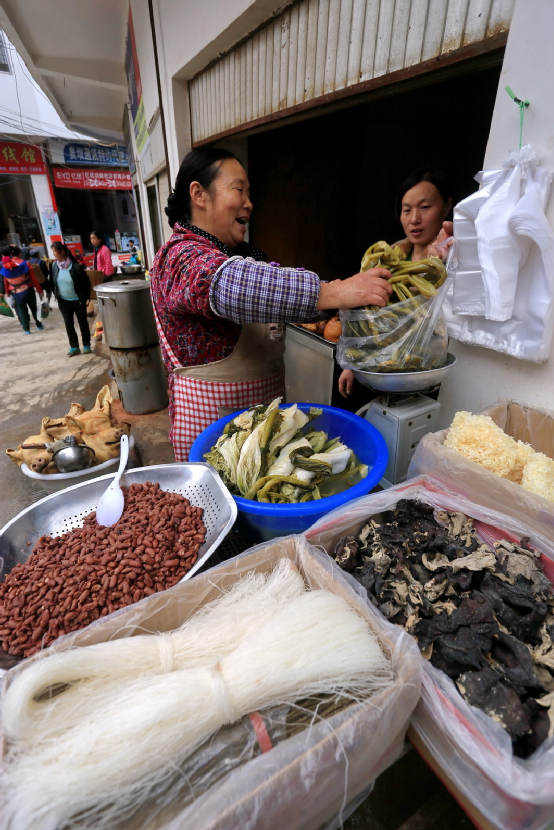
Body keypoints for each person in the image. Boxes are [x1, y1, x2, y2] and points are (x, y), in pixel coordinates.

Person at [150, 146, 393, 461]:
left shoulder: (244, 255)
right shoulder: (180, 257)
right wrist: (335, 291)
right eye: (239, 189)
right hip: (213, 433)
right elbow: (230, 285)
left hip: (264, 426)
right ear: (199, 194)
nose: (249, 203)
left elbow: (265, 286)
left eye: (249, 193)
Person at [338, 167, 454, 398]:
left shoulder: (453, 260)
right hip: (381, 372)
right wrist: (355, 361)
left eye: (425, 207)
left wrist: (445, 259)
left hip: (427, 378)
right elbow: (367, 317)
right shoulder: (390, 258)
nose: (414, 219)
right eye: (406, 210)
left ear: (447, 206)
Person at [50, 241, 92, 356]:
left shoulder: (76, 267)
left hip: (77, 301)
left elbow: (86, 284)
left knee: (83, 323)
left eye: (55, 251)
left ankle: (86, 344)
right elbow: (52, 282)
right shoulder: (54, 266)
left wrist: (85, 298)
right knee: (68, 323)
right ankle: (74, 346)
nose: (54, 254)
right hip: (63, 301)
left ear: (62, 252)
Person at [0, 245, 44, 334]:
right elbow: (33, 278)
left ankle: (26, 329)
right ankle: (38, 324)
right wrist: (40, 290)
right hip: (28, 289)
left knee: (21, 310)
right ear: (20, 253)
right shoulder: (25, 263)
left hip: (15, 291)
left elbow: (6, 281)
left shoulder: (6, 265)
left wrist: (7, 293)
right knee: (33, 308)